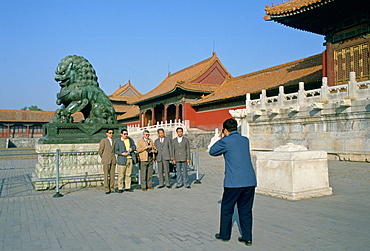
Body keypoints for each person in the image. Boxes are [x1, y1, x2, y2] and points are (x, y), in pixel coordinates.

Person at [209, 118, 257, 246]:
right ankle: (247, 238)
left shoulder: (225, 141)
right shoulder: (245, 140)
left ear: (225, 130)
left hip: (234, 182)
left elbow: (212, 151)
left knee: (227, 208)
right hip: (249, 181)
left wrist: (221, 137)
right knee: (246, 210)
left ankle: (224, 235)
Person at [115, 129, 137, 193]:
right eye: (124, 134)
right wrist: (122, 153)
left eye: (127, 134)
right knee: (121, 175)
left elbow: (134, 147)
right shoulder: (118, 141)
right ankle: (120, 187)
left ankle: (128, 187)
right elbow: (116, 150)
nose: (126, 135)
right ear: (121, 134)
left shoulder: (130, 140)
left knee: (128, 174)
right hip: (122, 159)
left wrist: (131, 149)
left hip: (129, 158)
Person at [98, 129, 117, 194]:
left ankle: (112, 188)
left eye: (112, 133)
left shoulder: (114, 141)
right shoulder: (104, 141)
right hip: (106, 160)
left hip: (113, 159)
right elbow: (100, 151)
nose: (111, 134)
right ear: (107, 133)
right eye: (110, 133)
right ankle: (106, 189)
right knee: (106, 175)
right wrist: (104, 157)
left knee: (112, 175)